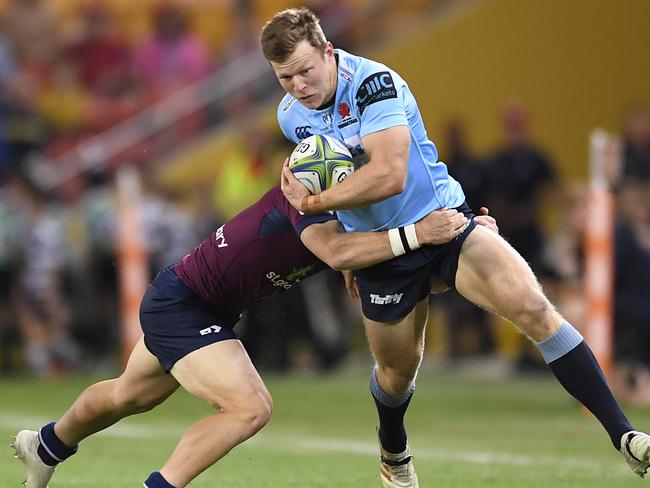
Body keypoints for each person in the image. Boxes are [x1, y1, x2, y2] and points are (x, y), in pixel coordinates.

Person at [260, 7, 650, 487]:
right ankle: (393, 452)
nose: (298, 85)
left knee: (534, 308)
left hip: (443, 225)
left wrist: (315, 201)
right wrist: (345, 242)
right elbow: (337, 173)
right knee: (396, 373)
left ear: (328, 52)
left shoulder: (372, 85)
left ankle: (627, 437)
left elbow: (389, 174)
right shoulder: (289, 117)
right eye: (285, 78)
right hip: (383, 253)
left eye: (305, 70)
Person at [12, 184, 495, 488]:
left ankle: (47, 445)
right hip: (184, 304)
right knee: (250, 407)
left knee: (128, 395)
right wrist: (422, 236)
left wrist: (465, 238)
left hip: (194, 301)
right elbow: (347, 254)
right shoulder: (306, 198)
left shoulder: (337, 213)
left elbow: (391, 271)